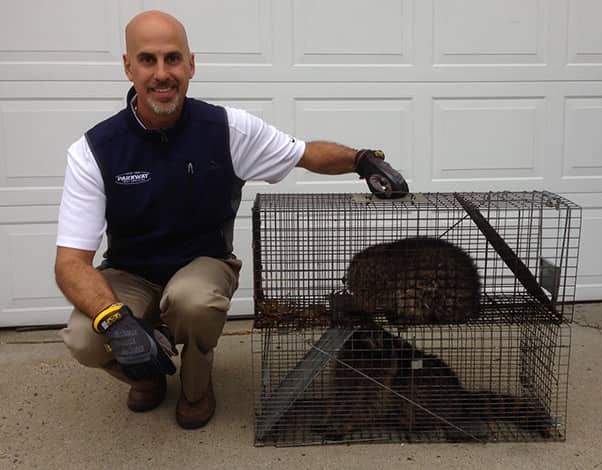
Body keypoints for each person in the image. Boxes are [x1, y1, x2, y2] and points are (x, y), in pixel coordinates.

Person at [54, 10, 408, 430]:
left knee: (194, 301)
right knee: (85, 337)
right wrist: (115, 321)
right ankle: (147, 373)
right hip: (130, 271)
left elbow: (304, 153)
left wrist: (361, 160)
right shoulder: (94, 150)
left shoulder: (226, 129)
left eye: (173, 58)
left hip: (203, 262)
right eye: (148, 60)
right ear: (128, 66)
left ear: (191, 64)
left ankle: (196, 386)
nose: (162, 73)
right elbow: (70, 263)